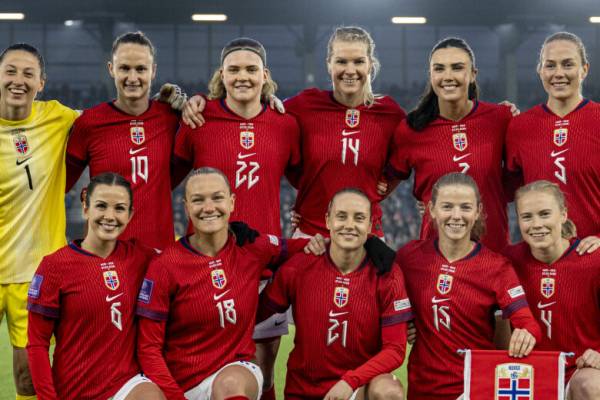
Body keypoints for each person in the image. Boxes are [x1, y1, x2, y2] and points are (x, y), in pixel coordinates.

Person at [182, 26, 406, 239]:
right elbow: (257, 108)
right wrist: (200, 100)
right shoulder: (303, 105)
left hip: (367, 236)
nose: (350, 70)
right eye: (341, 61)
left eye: (358, 61)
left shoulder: (391, 113)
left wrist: (385, 185)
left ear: (370, 65)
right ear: (329, 64)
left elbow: (405, 159)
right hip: (310, 235)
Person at [171, 37, 301, 398]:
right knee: (200, 366)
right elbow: (165, 179)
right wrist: (185, 101)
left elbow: (308, 179)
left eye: (250, 69)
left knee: (263, 372)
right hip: (204, 267)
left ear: (265, 75)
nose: (242, 76)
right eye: (234, 69)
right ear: (221, 74)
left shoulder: (285, 124)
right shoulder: (198, 119)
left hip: (263, 268)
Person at [136, 167, 314, 400]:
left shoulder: (251, 247)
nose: (209, 207)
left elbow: (313, 248)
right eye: (198, 200)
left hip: (235, 370)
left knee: (231, 384)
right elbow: (148, 348)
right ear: (186, 207)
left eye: (217, 198)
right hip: (182, 384)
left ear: (231, 203)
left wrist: (363, 242)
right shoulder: (165, 266)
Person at [396, 172, 540, 400]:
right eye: (447, 206)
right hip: (422, 390)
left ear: (477, 211)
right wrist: (405, 322)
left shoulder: (496, 267)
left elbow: (528, 324)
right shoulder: (409, 258)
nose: (456, 216)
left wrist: (526, 333)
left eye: (465, 207)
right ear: (432, 209)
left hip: (474, 390)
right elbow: (380, 298)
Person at [258, 188, 412, 400]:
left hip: (356, 390)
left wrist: (350, 381)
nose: (349, 225)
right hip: (303, 392)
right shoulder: (298, 267)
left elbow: (395, 350)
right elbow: (256, 316)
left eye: (359, 218)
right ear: (327, 221)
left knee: (389, 391)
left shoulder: (387, 274)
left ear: (369, 226)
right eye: (341, 216)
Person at [26, 173, 165, 399]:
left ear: (130, 215)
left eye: (119, 208)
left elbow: (187, 260)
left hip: (127, 384)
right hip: (74, 390)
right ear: (85, 208)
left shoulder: (141, 257)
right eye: (101, 206)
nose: (110, 216)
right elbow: (37, 344)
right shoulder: (53, 267)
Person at [0, 43, 79, 400]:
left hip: (34, 273)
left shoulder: (57, 118)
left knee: (28, 376)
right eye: (10, 71)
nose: (18, 80)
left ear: (41, 83)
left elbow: (112, 120)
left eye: (28, 73)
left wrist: (170, 105)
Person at [384, 37, 512, 252]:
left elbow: (523, 178)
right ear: (431, 75)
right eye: (439, 69)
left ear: (473, 74)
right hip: (435, 257)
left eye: (457, 67)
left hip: (493, 253)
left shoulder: (501, 118)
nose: (448, 76)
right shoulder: (411, 129)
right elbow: (381, 185)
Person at [66, 31, 180, 250]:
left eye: (141, 69)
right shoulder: (89, 123)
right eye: (124, 68)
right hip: (106, 255)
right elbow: (59, 185)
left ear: (153, 71)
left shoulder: (170, 118)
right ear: (111, 69)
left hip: (158, 256)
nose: (133, 78)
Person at [504, 180, 600, 399]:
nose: (536, 224)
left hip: (578, 371)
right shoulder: (507, 261)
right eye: (527, 217)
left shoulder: (593, 260)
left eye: (545, 214)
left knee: (593, 385)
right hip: (522, 373)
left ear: (563, 214)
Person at [506, 31, 600, 240]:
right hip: (541, 253)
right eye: (550, 65)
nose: (558, 73)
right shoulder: (519, 126)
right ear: (540, 71)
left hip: (594, 255)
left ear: (584, 69)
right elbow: (501, 189)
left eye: (567, 64)